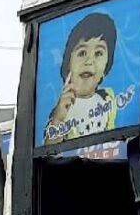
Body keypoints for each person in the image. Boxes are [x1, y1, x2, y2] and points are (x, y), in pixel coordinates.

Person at [44, 12, 119, 145]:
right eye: (82, 53)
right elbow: (49, 153)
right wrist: (58, 119)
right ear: (68, 64)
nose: (89, 61)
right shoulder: (63, 109)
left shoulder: (108, 99)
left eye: (98, 53)